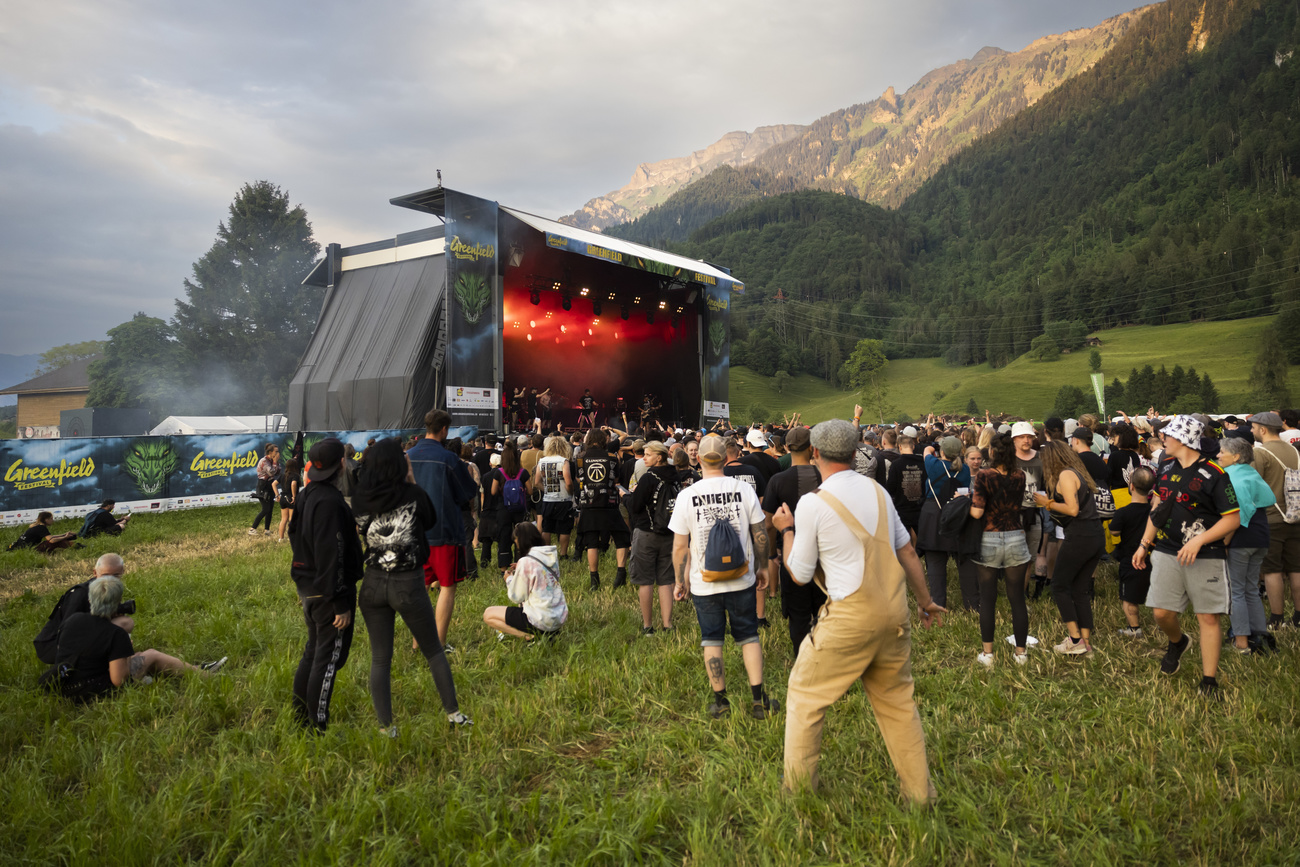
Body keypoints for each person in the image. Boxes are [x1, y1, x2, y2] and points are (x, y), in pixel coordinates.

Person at [772, 419, 945, 803]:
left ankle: (799, 792)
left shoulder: (812, 504)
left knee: (804, 694)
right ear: (855, 453)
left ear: (814, 454)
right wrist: (925, 600)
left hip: (850, 618)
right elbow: (907, 551)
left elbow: (799, 574)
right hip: (895, 613)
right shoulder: (878, 492)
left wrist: (786, 529)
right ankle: (920, 795)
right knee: (898, 703)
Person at [352, 437, 470, 735]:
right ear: (397, 464)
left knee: (380, 658)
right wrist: (412, 481)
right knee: (433, 650)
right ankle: (453, 713)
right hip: (408, 583)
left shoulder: (361, 498)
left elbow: (361, 527)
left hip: (373, 583)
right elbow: (429, 521)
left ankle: (386, 727)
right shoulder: (413, 494)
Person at [669, 434, 778, 720]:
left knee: (712, 640)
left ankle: (721, 703)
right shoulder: (744, 490)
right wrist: (763, 567)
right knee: (749, 636)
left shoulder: (687, 496)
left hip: (705, 582)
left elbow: (680, 545)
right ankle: (758, 700)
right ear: (725, 457)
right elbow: (760, 533)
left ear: (700, 458)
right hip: (742, 578)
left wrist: (680, 580)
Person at [1131, 415, 1240, 699]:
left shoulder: (1215, 474)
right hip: (1167, 549)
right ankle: (1178, 642)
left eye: (1167, 435)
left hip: (1206, 554)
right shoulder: (1165, 469)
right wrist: (1144, 544)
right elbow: (1159, 511)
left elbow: (1232, 519)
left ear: (1183, 439)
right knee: (1161, 613)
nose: (1162, 438)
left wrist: (1200, 540)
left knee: (1208, 617)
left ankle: (1209, 681)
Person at [41, 574, 225, 702]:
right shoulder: (115, 633)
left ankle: (192, 669)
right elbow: (118, 680)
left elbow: (68, 652)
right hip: (89, 691)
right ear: (117, 604)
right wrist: (129, 662)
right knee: (151, 654)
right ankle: (205, 676)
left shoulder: (72, 620)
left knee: (140, 655)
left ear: (90, 600)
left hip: (63, 685)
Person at [288, 437, 363, 732]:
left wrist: (304, 578)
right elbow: (334, 554)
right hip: (327, 592)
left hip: (310, 586)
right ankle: (316, 725)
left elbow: (295, 535)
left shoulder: (308, 494)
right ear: (341, 464)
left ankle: (299, 713)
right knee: (329, 657)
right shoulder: (331, 502)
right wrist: (340, 602)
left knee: (314, 650)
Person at [407, 409, 479, 651]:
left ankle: (417, 642)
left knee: (421, 587)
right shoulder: (449, 459)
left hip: (414, 531)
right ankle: (437, 643)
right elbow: (468, 491)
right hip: (443, 530)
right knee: (447, 586)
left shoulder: (408, 456)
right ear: (445, 430)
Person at [1034, 441, 1104, 655]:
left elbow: (1072, 509)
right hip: (1095, 534)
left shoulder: (1065, 475)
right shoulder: (1077, 473)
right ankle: (1085, 642)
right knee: (1079, 589)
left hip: (1079, 535)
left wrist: (1047, 503)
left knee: (1059, 586)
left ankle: (1075, 639)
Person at [761, 425, 824, 657]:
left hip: (791, 552)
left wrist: (771, 554)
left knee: (798, 615)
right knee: (825, 611)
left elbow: (767, 523)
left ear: (786, 447)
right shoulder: (825, 477)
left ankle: (802, 661)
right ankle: (826, 657)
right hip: (825, 555)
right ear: (813, 448)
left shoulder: (777, 480)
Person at [968, 432, 1029, 667]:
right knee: (1017, 599)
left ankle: (988, 654)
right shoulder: (1019, 475)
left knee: (988, 598)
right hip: (1015, 535)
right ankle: (1021, 653)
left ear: (992, 452)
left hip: (990, 537)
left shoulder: (983, 475)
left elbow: (977, 512)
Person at [1216, 436, 1275, 654]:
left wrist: (1224, 543)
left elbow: (1236, 517)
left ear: (1236, 457)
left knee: (1236, 591)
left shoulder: (1232, 479)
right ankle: (1259, 636)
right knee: (1251, 589)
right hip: (1261, 536)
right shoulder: (1252, 474)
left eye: (1222, 452)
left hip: (1240, 539)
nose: (1218, 455)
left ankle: (1241, 642)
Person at [33, 553, 137, 664]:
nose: (110, 580)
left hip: (84, 633)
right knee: (119, 625)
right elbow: (67, 629)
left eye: (115, 576)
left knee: (125, 621)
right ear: (95, 573)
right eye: (105, 575)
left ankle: (117, 657)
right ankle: (107, 660)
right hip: (54, 645)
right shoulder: (80, 594)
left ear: (123, 572)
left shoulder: (109, 589)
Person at [1248, 411, 1300, 629]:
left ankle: (1277, 618)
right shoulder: (1294, 451)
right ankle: (1298, 616)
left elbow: (1252, 485)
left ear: (1263, 429)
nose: (1251, 431)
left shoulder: (1260, 453)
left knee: (1272, 570)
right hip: (1296, 515)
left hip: (1271, 517)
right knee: (1296, 569)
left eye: (1253, 427)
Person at [918, 436, 976, 611]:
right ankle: (972, 603)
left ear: (942, 451)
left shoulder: (933, 465)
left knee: (935, 561)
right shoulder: (965, 470)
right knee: (964, 561)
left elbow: (926, 451)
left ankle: (938, 603)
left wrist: (934, 448)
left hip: (934, 514)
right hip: (958, 513)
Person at [625, 440, 678, 635]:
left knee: (645, 580)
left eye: (647, 455)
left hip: (647, 532)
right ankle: (668, 624)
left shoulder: (649, 478)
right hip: (669, 532)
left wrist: (627, 496)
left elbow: (636, 506)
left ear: (659, 456)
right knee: (665, 580)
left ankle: (648, 625)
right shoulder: (675, 476)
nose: (644, 458)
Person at [484, 522, 568, 642]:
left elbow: (516, 596)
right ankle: (548, 635)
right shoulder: (550, 557)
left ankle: (531, 637)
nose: (517, 545)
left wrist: (509, 579)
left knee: (488, 614)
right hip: (557, 619)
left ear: (521, 540)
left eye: (516, 541)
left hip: (540, 620)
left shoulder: (526, 561)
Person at [576, 428, 630, 590]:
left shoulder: (580, 458)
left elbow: (579, 478)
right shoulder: (612, 458)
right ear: (603, 440)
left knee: (591, 542)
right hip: (609, 503)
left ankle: (594, 579)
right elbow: (617, 479)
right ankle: (620, 574)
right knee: (622, 538)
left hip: (588, 503)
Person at [1108, 467, 1155, 637]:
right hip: (1152, 558)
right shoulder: (1153, 512)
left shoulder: (1123, 512)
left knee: (1128, 598)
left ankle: (1134, 628)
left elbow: (1114, 532)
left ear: (1131, 486)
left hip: (1131, 558)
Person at [483, 440, 531, 568]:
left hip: (503, 508)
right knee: (521, 537)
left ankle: (504, 568)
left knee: (504, 537)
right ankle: (520, 565)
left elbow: (493, 491)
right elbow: (530, 490)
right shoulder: (523, 472)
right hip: (519, 509)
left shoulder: (499, 473)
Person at [535, 436, 576, 558]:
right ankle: (563, 554)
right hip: (563, 499)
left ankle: (547, 553)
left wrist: (546, 490)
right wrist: (570, 492)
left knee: (546, 528)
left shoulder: (541, 461)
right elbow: (568, 482)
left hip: (548, 499)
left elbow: (537, 482)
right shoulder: (564, 461)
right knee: (564, 528)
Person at [250, 444, 281, 536]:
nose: (277, 453)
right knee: (266, 508)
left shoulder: (272, 461)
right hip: (263, 486)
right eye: (276, 451)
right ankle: (252, 528)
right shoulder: (264, 461)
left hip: (270, 485)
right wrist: (275, 462)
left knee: (270, 509)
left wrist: (276, 462)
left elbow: (278, 471)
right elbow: (271, 472)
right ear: (270, 452)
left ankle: (267, 529)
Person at [8, 511, 77, 552]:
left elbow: (50, 537)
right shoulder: (41, 528)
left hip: (21, 547)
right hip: (29, 549)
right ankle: (76, 547)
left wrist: (64, 535)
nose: (53, 520)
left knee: (57, 540)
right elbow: (52, 540)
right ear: (46, 520)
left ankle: (74, 546)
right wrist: (65, 537)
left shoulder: (37, 526)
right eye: (51, 519)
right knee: (58, 542)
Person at [275, 457, 301, 543]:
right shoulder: (295, 475)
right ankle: (293, 538)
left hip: (283, 498)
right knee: (291, 519)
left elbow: (273, 484)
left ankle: (281, 538)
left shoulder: (283, 475)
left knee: (283, 519)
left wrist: (277, 495)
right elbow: (293, 484)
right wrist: (294, 496)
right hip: (291, 499)